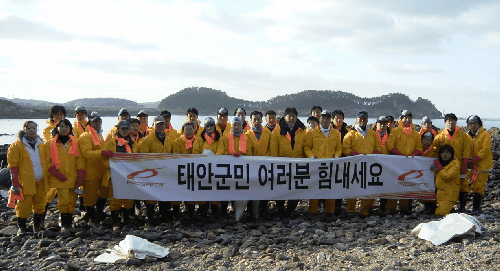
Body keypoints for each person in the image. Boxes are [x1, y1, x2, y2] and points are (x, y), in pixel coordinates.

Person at [7, 121, 48, 236]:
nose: (32, 130)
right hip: (25, 181)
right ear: (24, 129)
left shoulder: (41, 144)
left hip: (41, 180)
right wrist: (15, 182)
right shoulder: (17, 145)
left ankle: (37, 227)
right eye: (29, 128)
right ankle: (22, 228)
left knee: (40, 204)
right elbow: (13, 165)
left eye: (34, 128)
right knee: (24, 205)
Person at [46, 119, 84, 232]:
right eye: (61, 126)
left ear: (70, 129)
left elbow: (79, 160)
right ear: (57, 128)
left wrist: (81, 175)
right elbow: (47, 161)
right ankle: (63, 224)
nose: (64, 128)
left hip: (72, 177)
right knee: (63, 200)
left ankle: (69, 223)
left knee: (72, 201)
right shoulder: (50, 144)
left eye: (67, 127)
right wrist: (56, 173)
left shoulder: (74, 143)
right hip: (59, 178)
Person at [343, 110, 383, 218]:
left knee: (368, 187)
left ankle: (364, 211)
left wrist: (374, 154)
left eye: (364, 118)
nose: (362, 120)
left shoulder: (373, 134)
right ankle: (351, 210)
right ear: (356, 119)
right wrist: (357, 154)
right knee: (353, 187)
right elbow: (346, 149)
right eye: (360, 118)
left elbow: (379, 147)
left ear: (367, 120)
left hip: (369, 166)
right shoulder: (350, 134)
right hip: (355, 165)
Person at [304, 110, 342, 217]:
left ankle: (329, 211)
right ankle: (313, 211)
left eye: (327, 118)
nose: (325, 120)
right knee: (315, 188)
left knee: (330, 188)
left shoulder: (336, 133)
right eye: (323, 118)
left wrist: (337, 156)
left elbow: (339, 147)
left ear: (331, 120)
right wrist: (311, 156)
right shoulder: (312, 133)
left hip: (331, 165)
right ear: (319, 119)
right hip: (316, 165)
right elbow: (307, 147)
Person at [270, 108, 307, 216]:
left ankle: (291, 209)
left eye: (293, 116)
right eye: (289, 116)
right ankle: (280, 208)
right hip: (282, 165)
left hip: (297, 165)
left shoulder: (302, 130)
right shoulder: (277, 131)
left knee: (296, 188)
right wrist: (274, 163)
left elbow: (305, 147)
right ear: (284, 117)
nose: (291, 118)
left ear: (296, 118)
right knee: (281, 187)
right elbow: (273, 149)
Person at [101, 120, 138, 230]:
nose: (125, 131)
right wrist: (112, 167)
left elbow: (137, 158)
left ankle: (126, 220)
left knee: (128, 198)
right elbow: (103, 160)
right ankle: (115, 222)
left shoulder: (133, 143)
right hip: (114, 174)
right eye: (123, 129)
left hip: (129, 175)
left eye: (127, 129)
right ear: (118, 129)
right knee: (115, 198)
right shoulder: (110, 143)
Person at [217, 116, 256, 219]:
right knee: (227, 190)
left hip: (244, 170)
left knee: (246, 190)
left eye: (239, 125)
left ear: (242, 125)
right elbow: (220, 152)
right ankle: (223, 213)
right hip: (229, 169)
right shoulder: (225, 138)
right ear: (232, 125)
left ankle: (249, 212)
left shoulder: (248, 138)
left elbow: (252, 153)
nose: (237, 127)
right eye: (234, 124)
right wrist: (230, 155)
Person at [431, 113, 470, 213]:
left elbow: (466, 150)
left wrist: (464, 164)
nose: (451, 123)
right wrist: (437, 162)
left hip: (459, 164)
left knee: (463, 185)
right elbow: (435, 150)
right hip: (444, 165)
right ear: (445, 122)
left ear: (456, 122)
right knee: (445, 184)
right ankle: (446, 205)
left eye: (453, 120)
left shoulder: (463, 136)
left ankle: (462, 206)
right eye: (449, 121)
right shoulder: (440, 136)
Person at [386, 110, 422, 215]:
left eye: (409, 118)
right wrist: (400, 154)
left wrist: (414, 154)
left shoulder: (415, 133)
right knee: (394, 184)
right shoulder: (395, 131)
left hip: (409, 163)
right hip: (396, 162)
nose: (407, 120)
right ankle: (391, 208)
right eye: (405, 118)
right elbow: (390, 146)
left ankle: (404, 207)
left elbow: (419, 147)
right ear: (401, 119)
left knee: (406, 184)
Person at [139, 116, 174, 225]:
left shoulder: (169, 140)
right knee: (151, 196)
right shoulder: (147, 140)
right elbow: (143, 157)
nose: (160, 126)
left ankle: (163, 215)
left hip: (165, 172)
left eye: (162, 124)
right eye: (157, 124)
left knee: (164, 193)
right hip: (152, 173)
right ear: (153, 126)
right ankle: (150, 218)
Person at [77, 112, 108, 226]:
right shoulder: (86, 136)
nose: (97, 124)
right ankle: (92, 217)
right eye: (94, 121)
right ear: (89, 122)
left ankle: (98, 211)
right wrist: (103, 153)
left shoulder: (99, 135)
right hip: (90, 172)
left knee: (104, 192)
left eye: (98, 121)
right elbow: (87, 153)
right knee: (89, 196)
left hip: (100, 170)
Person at [192, 117, 222, 217]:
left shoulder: (219, 138)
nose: (209, 128)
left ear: (214, 127)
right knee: (202, 189)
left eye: (211, 126)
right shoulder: (200, 138)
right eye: (207, 126)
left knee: (214, 189)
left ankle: (214, 211)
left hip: (214, 168)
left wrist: (214, 158)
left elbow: (221, 151)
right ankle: (203, 212)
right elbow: (196, 151)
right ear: (204, 128)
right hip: (202, 169)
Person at [466, 115, 493, 214]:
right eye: (470, 123)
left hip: (483, 166)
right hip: (471, 166)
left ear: (479, 124)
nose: (473, 125)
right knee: (473, 185)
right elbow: (465, 148)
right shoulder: (467, 136)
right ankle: (473, 207)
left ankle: (476, 208)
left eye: (475, 123)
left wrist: (475, 159)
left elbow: (485, 150)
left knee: (479, 186)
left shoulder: (486, 135)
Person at [172, 122, 198, 218]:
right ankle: (176, 213)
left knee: (192, 191)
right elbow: (176, 156)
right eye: (186, 129)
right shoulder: (177, 141)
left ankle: (191, 213)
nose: (188, 131)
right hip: (180, 171)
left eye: (190, 129)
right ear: (183, 131)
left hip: (193, 171)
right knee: (178, 191)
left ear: (194, 130)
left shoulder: (198, 141)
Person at [434, 145, 460, 216]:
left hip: (449, 195)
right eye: (442, 153)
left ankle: (452, 211)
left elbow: (447, 176)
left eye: (447, 152)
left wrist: (438, 165)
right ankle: (450, 210)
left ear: (451, 154)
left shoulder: (455, 165)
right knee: (438, 212)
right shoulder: (443, 164)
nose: (444, 154)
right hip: (441, 195)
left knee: (441, 213)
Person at [331, 109, 349, 215]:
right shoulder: (328, 130)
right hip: (330, 159)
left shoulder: (347, 132)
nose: (339, 119)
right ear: (332, 119)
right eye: (336, 117)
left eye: (341, 117)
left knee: (340, 183)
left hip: (343, 161)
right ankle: (326, 204)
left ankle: (338, 205)